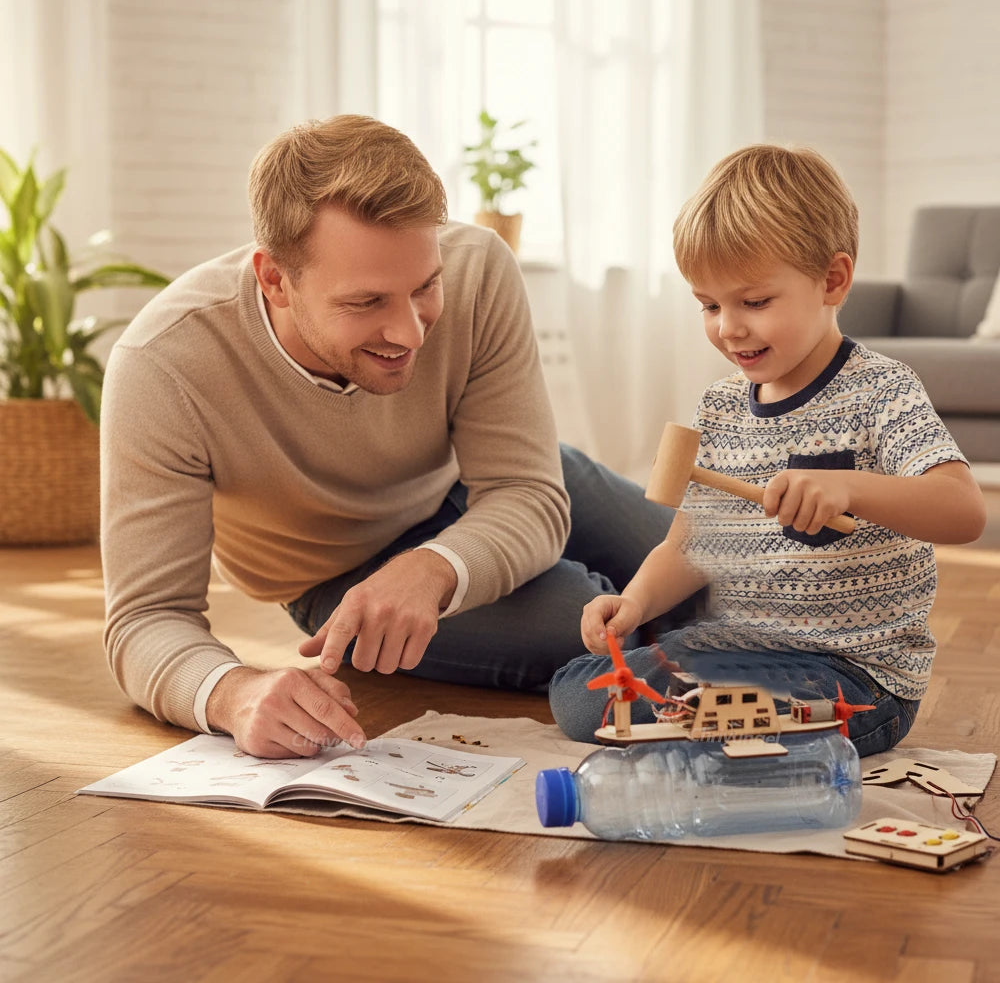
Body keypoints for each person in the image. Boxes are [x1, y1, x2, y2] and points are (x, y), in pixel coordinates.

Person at [101, 114, 680, 759]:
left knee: (716, 567)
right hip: (338, 574)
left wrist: (435, 567)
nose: (409, 333)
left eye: (425, 287)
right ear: (275, 279)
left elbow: (527, 491)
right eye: (365, 303)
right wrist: (231, 692)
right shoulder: (164, 365)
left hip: (484, 487)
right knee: (609, 630)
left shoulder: (479, 268)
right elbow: (144, 619)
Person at [549, 144, 987, 756]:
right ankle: (713, 729)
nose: (728, 326)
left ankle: (717, 731)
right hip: (736, 647)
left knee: (723, 714)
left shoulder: (881, 390)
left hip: (850, 672)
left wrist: (851, 486)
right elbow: (691, 544)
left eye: (754, 302)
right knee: (576, 692)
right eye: (709, 304)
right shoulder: (722, 407)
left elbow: (963, 510)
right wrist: (635, 602)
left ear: (832, 280)